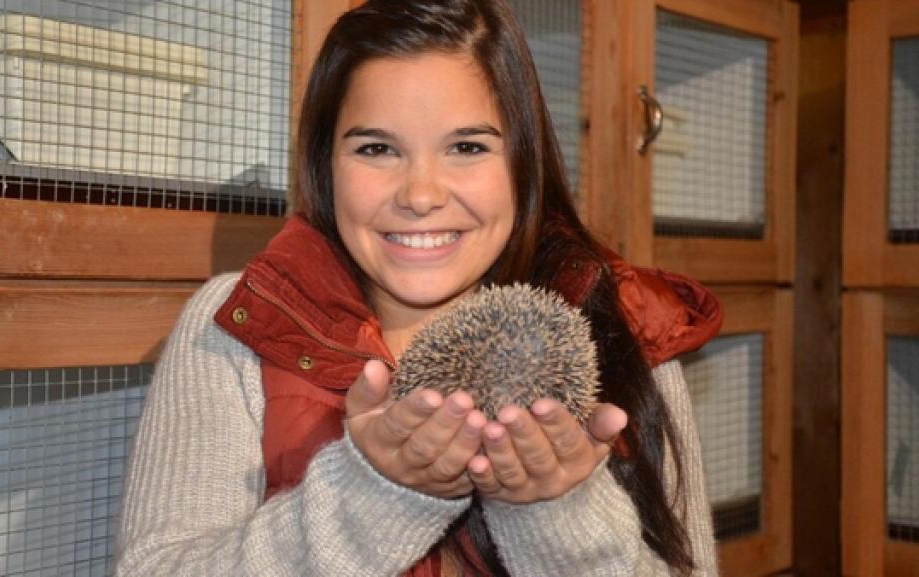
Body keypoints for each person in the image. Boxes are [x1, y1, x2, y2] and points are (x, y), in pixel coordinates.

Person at [116, 1, 723, 575]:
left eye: (467, 147)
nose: (421, 194)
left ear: (523, 162)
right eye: (377, 148)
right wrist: (371, 496)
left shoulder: (623, 329)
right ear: (325, 164)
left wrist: (561, 518)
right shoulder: (238, 324)